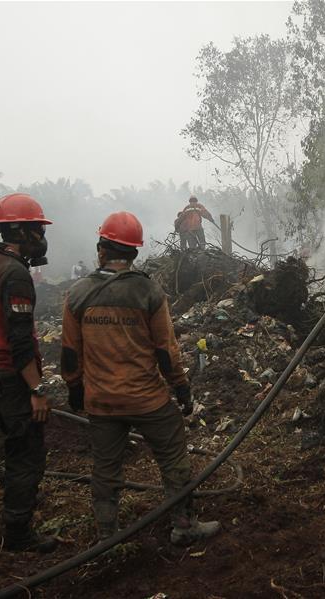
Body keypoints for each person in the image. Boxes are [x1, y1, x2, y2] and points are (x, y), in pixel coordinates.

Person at [61, 211, 221, 544]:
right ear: (134, 253)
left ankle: (107, 534)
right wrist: (181, 389)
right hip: (147, 398)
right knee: (173, 453)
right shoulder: (148, 291)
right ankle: (184, 525)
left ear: (101, 249)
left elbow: (70, 352)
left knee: (105, 468)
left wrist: (75, 389)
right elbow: (166, 350)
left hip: (101, 401)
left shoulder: (77, 294)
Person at [0, 193, 57, 553]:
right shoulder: (15, 273)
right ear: (20, 230)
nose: (41, 236)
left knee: (12, 445)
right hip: (11, 374)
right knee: (26, 453)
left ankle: (14, 521)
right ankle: (19, 536)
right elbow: (19, 337)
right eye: (37, 228)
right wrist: (36, 388)